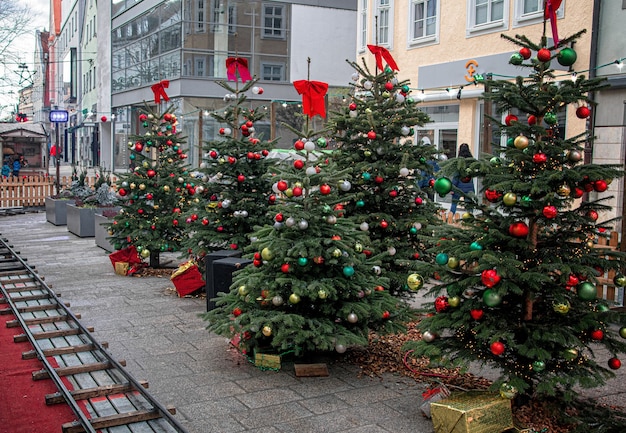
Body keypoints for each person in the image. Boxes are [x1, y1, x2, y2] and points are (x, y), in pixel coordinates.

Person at [449, 143, 475, 215]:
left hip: (458, 187)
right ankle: (470, 218)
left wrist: (452, 188)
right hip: (468, 187)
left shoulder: (459, 162)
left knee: (454, 203)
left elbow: (456, 176)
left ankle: (451, 217)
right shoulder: (471, 162)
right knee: (469, 205)